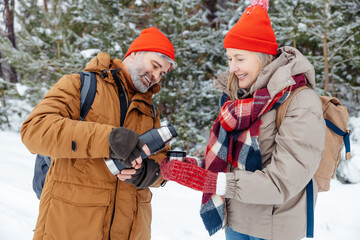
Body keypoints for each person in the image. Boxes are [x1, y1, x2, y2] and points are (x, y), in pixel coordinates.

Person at [160, 1, 326, 239]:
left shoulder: (301, 101)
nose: (232, 68)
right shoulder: (239, 98)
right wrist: (194, 164)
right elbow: (227, 155)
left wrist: (213, 182)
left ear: (263, 57)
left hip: (273, 230)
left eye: (240, 58)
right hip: (235, 223)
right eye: (229, 59)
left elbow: (282, 181)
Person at [21, 27, 176, 240]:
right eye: (155, 65)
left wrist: (148, 173)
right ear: (134, 53)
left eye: (162, 73)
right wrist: (108, 139)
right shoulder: (80, 85)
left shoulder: (150, 110)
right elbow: (35, 129)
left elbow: (162, 162)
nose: (156, 76)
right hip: (71, 229)